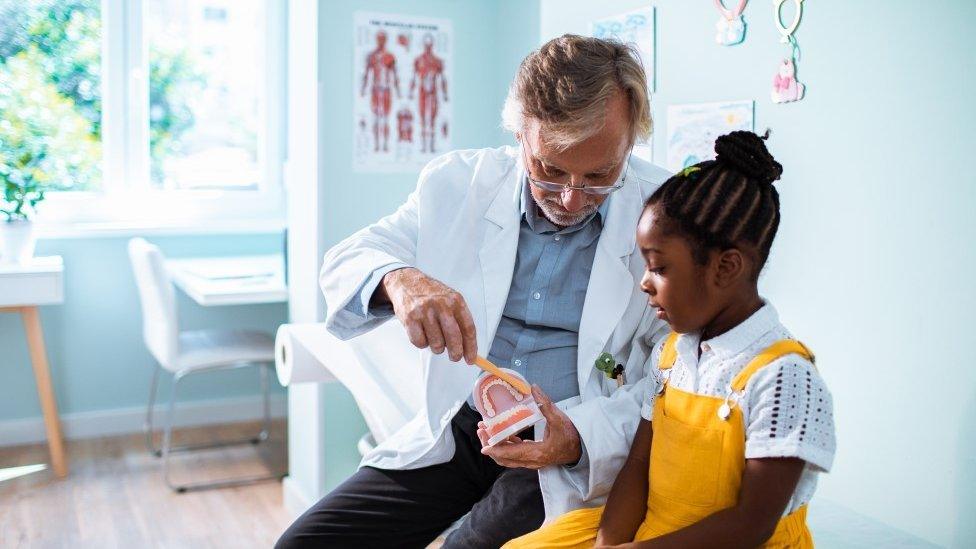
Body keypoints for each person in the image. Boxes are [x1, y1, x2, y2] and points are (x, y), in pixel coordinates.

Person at [276, 35, 670, 548]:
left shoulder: (667, 212)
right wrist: (399, 279)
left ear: (631, 144)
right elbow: (352, 257)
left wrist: (578, 437)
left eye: (599, 175)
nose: (572, 199)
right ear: (520, 134)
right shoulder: (457, 183)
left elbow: (675, 370)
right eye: (550, 170)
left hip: (572, 432)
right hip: (465, 428)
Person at [505, 131, 836, 548]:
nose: (644, 283)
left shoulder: (785, 378)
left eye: (659, 268)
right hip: (653, 533)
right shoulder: (670, 354)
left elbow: (751, 525)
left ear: (725, 268)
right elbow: (638, 468)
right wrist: (610, 544)